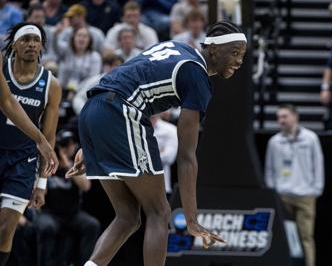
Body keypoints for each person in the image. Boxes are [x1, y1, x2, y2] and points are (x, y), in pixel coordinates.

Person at [67, 21, 246, 266]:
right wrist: (191, 219)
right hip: (121, 111)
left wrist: (92, 142)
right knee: (160, 212)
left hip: (93, 109)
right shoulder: (197, 76)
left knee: (128, 216)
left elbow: (124, 76)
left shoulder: (176, 46)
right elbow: (186, 156)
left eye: (242, 55)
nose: (239, 61)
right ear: (213, 49)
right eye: (235, 53)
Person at [0, 22, 62, 266]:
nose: (31, 44)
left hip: (23, 160)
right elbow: (7, 103)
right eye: (25, 39)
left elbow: (49, 137)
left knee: (6, 228)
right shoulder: (1, 69)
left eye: (36, 41)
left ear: (42, 47)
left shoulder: (51, 85)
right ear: (14, 44)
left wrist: (42, 183)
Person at [265, 104, 324, 266]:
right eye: (278, 118)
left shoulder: (310, 138)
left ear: (295, 117)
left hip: (306, 195)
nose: (281, 120)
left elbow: (318, 165)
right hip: (283, 196)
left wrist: (315, 190)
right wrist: (273, 192)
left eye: (284, 116)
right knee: (283, 237)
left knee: (306, 236)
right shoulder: (274, 142)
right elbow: (269, 169)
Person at [34, 130, 100, 266]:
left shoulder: (76, 166)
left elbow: (86, 186)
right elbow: (41, 192)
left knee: (92, 225)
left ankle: (83, 263)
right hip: (50, 213)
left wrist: (69, 165)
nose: (67, 148)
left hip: (73, 214)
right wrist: (49, 166)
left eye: (69, 144)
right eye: (63, 145)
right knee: (46, 226)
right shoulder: (47, 164)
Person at [150, 113, 178, 196]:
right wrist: (158, 151)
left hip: (161, 187)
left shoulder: (170, 129)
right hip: (134, 186)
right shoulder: (130, 128)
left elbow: (169, 158)